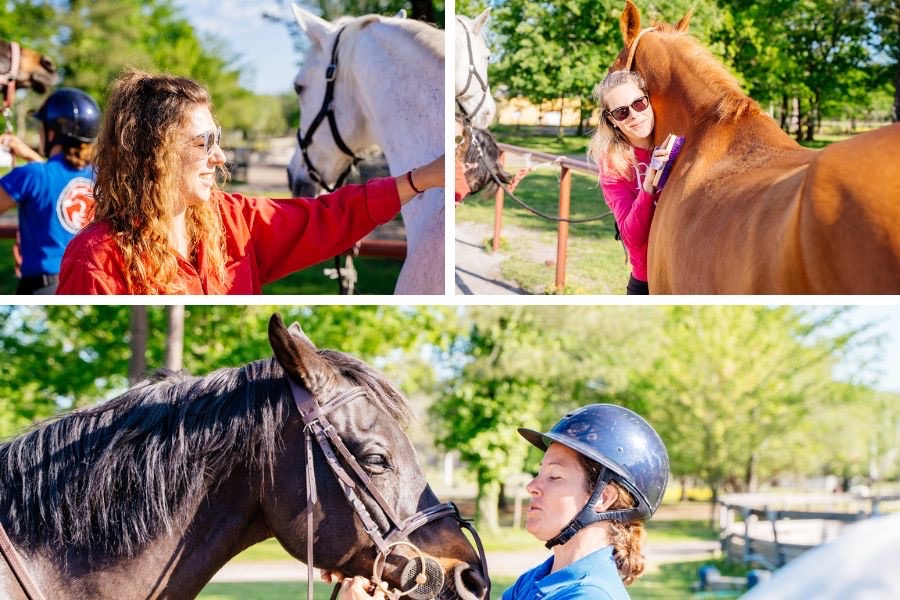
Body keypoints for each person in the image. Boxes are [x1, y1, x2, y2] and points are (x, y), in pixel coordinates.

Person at [55, 69, 444, 294]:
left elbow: (330, 216)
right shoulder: (96, 258)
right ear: (152, 152)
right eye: (204, 142)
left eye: (217, 138)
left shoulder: (232, 218)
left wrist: (421, 179)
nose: (219, 156)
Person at [330, 403, 669, 600]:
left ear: (605, 497)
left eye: (554, 476)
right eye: (539, 473)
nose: (533, 486)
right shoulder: (537, 580)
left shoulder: (589, 595)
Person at [0, 87, 100, 294]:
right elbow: (58, 179)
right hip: (90, 286)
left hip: (43, 287)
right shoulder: (102, 177)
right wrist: (30, 156)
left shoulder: (31, 175)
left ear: (52, 132)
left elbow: (44, 179)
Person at [587, 71, 673, 295]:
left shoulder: (677, 143)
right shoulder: (613, 164)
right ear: (612, 121)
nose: (634, 115)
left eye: (639, 103)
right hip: (648, 280)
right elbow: (632, 238)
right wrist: (648, 185)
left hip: (688, 270)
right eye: (622, 112)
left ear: (648, 100)